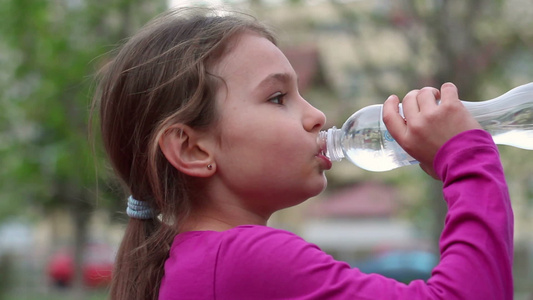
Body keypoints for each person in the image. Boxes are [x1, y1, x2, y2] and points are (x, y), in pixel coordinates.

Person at [92, 7, 514, 300]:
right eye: (278, 98)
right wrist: (467, 158)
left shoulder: (200, 262)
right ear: (192, 148)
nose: (316, 115)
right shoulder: (244, 260)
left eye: (301, 93)